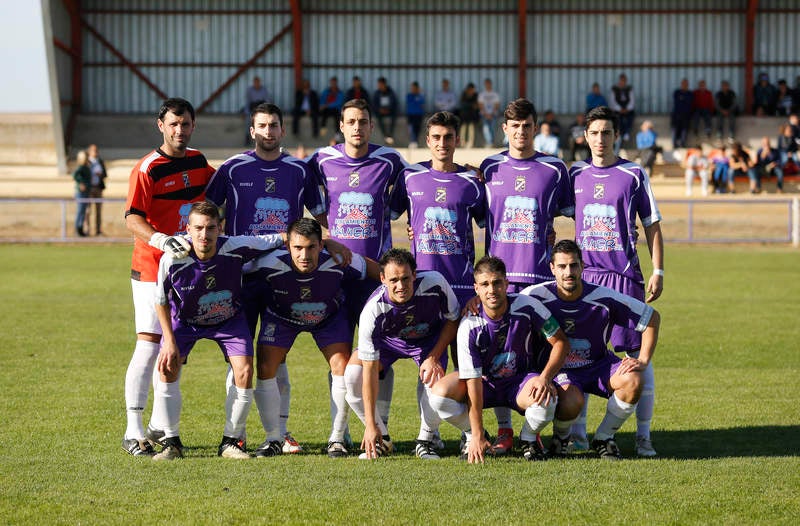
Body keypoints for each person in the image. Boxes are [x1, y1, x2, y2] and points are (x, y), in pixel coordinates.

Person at [206, 102, 328, 455]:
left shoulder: (299, 170)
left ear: (282, 130)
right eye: (262, 126)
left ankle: (282, 433)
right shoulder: (232, 168)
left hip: (283, 278)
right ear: (252, 131)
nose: (269, 131)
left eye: (274, 125)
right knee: (238, 357)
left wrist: (329, 247)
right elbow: (205, 213)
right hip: (240, 277)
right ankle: (236, 434)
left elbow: (318, 218)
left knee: (278, 357)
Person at [149, 202, 285, 460]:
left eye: (211, 228)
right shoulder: (172, 259)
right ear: (187, 229)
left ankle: (230, 443)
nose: (204, 234)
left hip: (229, 320)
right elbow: (160, 300)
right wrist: (168, 341)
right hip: (186, 322)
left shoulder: (233, 247)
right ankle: (172, 442)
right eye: (198, 228)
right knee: (167, 366)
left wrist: (320, 240)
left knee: (244, 371)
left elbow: (273, 239)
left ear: (219, 229)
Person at [307, 98, 408, 437]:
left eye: (363, 121)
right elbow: (300, 185)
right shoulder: (322, 159)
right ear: (341, 125)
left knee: (380, 354)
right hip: (335, 275)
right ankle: (339, 433)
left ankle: (382, 425)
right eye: (351, 121)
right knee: (339, 356)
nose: (357, 127)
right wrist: (326, 230)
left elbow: (415, 189)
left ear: (371, 126)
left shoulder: (390, 160)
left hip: (374, 275)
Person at [567, 105, 664, 457]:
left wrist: (658, 270)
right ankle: (579, 434)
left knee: (638, 358)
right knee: (581, 355)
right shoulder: (574, 174)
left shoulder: (633, 173)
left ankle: (643, 436)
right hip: (587, 280)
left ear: (616, 136)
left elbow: (652, 224)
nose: (600, 139)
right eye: (594, 133)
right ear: (585, 137)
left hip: (625, 279)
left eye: (606, 133)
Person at [122, 97, 216, 456]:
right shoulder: (147, 168)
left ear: (193, 126)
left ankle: (161, 426)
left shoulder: (198, 161)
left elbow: (219, 191)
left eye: (186, 124)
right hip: (151, 268)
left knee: (175, 348)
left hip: (187, 270)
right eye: (173, 124)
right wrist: (161, 238)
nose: (180, 130)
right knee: (148, 345)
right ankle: (133, 430)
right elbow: (132, 218)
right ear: (160, 125)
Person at [480, 97, 573, 455]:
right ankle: (505, 429)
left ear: (537, 128)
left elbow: (566, 215)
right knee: (499, 358)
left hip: (538, 283)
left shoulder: (554, 169)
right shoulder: (488, 168)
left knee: (540, 356)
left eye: (527, 126)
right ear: (505, 129)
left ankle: (548, 430)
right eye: (514, 126)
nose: (520, 132)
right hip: (499, 282)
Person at [248, 218, 380, 458]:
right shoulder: (268, 263)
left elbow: (379, 271)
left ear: (321, 245)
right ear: (288, 247)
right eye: (298, 248)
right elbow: (232, 266)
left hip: (328, 318)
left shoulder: (339, 260)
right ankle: (274, 438)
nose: (304, 255)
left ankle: (337, 439)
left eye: (311, 247)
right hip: (281, 317)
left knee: (341, 366)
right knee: (266, 366)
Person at [522, 240, 660, 460]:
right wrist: (474, 302)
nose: (569, 272)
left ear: (582, 266)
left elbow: (651, 317)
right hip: (560, 371)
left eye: (574, 265)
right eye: (562, 266)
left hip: (598, 365)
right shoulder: (535, 296)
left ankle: (603, 438)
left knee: (633, 380)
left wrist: (643, 360)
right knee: (572, 401)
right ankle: (561, 438)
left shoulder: (603, 296)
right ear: (552, 268)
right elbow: (501, 304)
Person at [429, 256, 570, 463]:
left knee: (547, 397)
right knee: (439, 397)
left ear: (506, 283)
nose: (491, 290)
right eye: (485, 284)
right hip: (485, 383)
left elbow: (561, 343)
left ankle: (528, 439)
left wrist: (545, 378)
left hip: (520, 381)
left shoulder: (528, 306)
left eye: (496, 283)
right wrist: (476, 432)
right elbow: (473, 381)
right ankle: (475, 437)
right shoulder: (468, 325)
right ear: (476, 288)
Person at [345, 248, 460, 460]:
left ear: (415, 274)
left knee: (434, 383)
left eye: (406, 278)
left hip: (428, 342)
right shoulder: (372, 310)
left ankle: (425, 441)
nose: (400, 286)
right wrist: (370, 424)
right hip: (389, 344)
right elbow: (369, 372)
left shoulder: (435, 282)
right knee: (353, 374)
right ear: (382, 279)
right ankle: (382, 438)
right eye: (394, 280)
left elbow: (453, 318)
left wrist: (434, 357)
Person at [390, 111, 486, 310]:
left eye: (448, 137)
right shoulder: (409, 176)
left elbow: (493, 223)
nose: (442, 143)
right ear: (427, 140)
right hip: (421, 280)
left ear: (457, 140)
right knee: (425, 340)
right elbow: (386, 216)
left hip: (462, 282)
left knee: (461, 341)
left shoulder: (473, 181)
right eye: (436, 137)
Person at [85, 144, 107, 236]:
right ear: (89, 152)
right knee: (88, 211)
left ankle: (98, 230)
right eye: (94, 150)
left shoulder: (100, 161)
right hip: (89, 189)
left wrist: (100, 174)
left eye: (96, 150)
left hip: (98, 188)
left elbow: (105, 174)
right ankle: (87, 230)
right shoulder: (86, 162)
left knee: (98, 211)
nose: (96, 152)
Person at [244, 76, 272, 145]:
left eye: (258, 82)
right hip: (252, 109)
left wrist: (267, 111)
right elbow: (247, 102)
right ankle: (247, 136)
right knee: (248, 119)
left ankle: (264, 138)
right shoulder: (249, 90)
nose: (256, 84)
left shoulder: (264, 90)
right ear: (253, 83)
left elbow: (267, 101)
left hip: (261, 109)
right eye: (255, 82)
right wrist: (246, 111)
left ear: (260, 82)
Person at [372, 77, 399, 145]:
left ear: (384, 84)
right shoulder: (377, 93)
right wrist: (379, 109)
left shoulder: (390, 92)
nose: (380, 86)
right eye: (379, 85)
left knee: (394, 116)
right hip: (380, 111)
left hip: (389, 111)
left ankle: (390, 135)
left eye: (381, 84)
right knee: (378, 118)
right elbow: (374, 104)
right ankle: (386, 136)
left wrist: (389, 109)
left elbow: (394, 103)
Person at [609, 74, 635, 141]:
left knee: (629, 117)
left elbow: (632, 101)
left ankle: (626, 133)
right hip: (618, 109)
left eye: (624, 81)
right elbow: (612, 102)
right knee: (618, 118)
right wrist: (620, 109)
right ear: (619, 80)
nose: (623, 82)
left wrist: (627, 109)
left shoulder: (629, 89)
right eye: (621, 80)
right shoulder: (614, 89)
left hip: (627, 109)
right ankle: (620, 133)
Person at [72, 149, 91, 237]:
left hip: (86, 191)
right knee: (80, 211)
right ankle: (77, 229)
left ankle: (80, 229)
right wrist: (81, 183)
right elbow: (74, 175)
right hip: (81, 192)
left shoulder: (87, 166)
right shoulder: (81, 167)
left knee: (83, 211)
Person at [671, 78, 694, 149]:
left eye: (686, 84)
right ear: (681, 84)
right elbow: (678, 102)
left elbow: (689, 103)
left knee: (684, 130)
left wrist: (683, 99)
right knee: (675, 130)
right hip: (676, 115)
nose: (685, 85)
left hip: (686, 115)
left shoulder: (690, 93)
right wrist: (684, 100)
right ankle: (674, 144)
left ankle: (682, 144)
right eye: (683, 84)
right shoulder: (677, 92)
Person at [478, 78, 501, 147]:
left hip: (493, 114)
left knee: (492, 128)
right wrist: (486, 114)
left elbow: (497, 105)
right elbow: (480, 105)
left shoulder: (495, 94)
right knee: (486, 128)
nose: (488, 85)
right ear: (485, 85)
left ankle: (491, 142)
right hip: (484, 114)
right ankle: (489, 142)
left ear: (491, 84)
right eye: (486, 84)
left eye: (489, 83)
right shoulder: (482, 94)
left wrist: (491, 114)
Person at [459, 82, 480, 148]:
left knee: (471, 129)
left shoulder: (476, 95)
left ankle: (471, 143)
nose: (471, 90)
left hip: (472, 115)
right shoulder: (464, 94)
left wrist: (471, 105)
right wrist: (471, 105)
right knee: (463, 128)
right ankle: (462, 143)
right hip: (464, 114)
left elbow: (477, 105)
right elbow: (462, 104)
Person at [405, 81, 426, 147]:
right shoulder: (409, 96)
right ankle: (412, 141)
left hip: (419, 115)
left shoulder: (420, 96)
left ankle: (415, 141)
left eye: (415, 88)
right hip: (411, 115)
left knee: (417, 128)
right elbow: (411, 104)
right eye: (412, 88)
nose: (413, 89)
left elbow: (422, 104)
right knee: (411, 128)